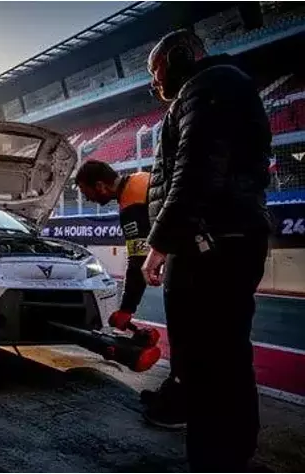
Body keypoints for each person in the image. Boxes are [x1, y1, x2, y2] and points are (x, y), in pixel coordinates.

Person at [142, 30, 272, 472]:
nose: (155, 82)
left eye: (156, 70)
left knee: (206, 355)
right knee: (223, 352)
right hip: (220, 240)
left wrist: (159, 244)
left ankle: (215, 456)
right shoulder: (216, 86)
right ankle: (230, 451)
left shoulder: (209, 86)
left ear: (180, 57)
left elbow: (196, 171)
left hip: (211, 245)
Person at [74, 160, 183, 427]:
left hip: (193, 259)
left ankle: (183, 403)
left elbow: (138, 259)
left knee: (187, 332)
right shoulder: (142, 179)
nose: (87, 199)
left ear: (101, 185)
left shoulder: (131, 202)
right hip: (206, 250)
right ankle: (176, 389)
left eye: (87, 192)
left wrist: (126, 309)